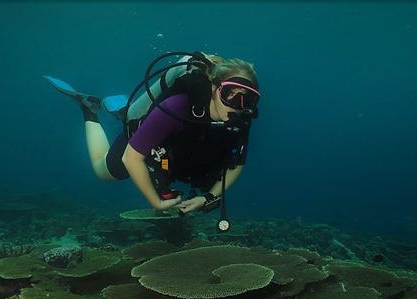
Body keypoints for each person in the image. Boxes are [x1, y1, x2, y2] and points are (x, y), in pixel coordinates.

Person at [45, 51, 260, 217]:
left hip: (177, 148)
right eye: (230, 95)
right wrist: (155, 202)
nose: (238, 106)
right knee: (106, 171)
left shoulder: (240, 120)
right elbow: (132, 157)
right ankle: (89, 109)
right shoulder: (177, 106)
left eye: (247, 99)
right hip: (150, 139)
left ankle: (121, 111)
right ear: (214, 88)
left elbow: (237, 164)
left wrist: (208, 197)